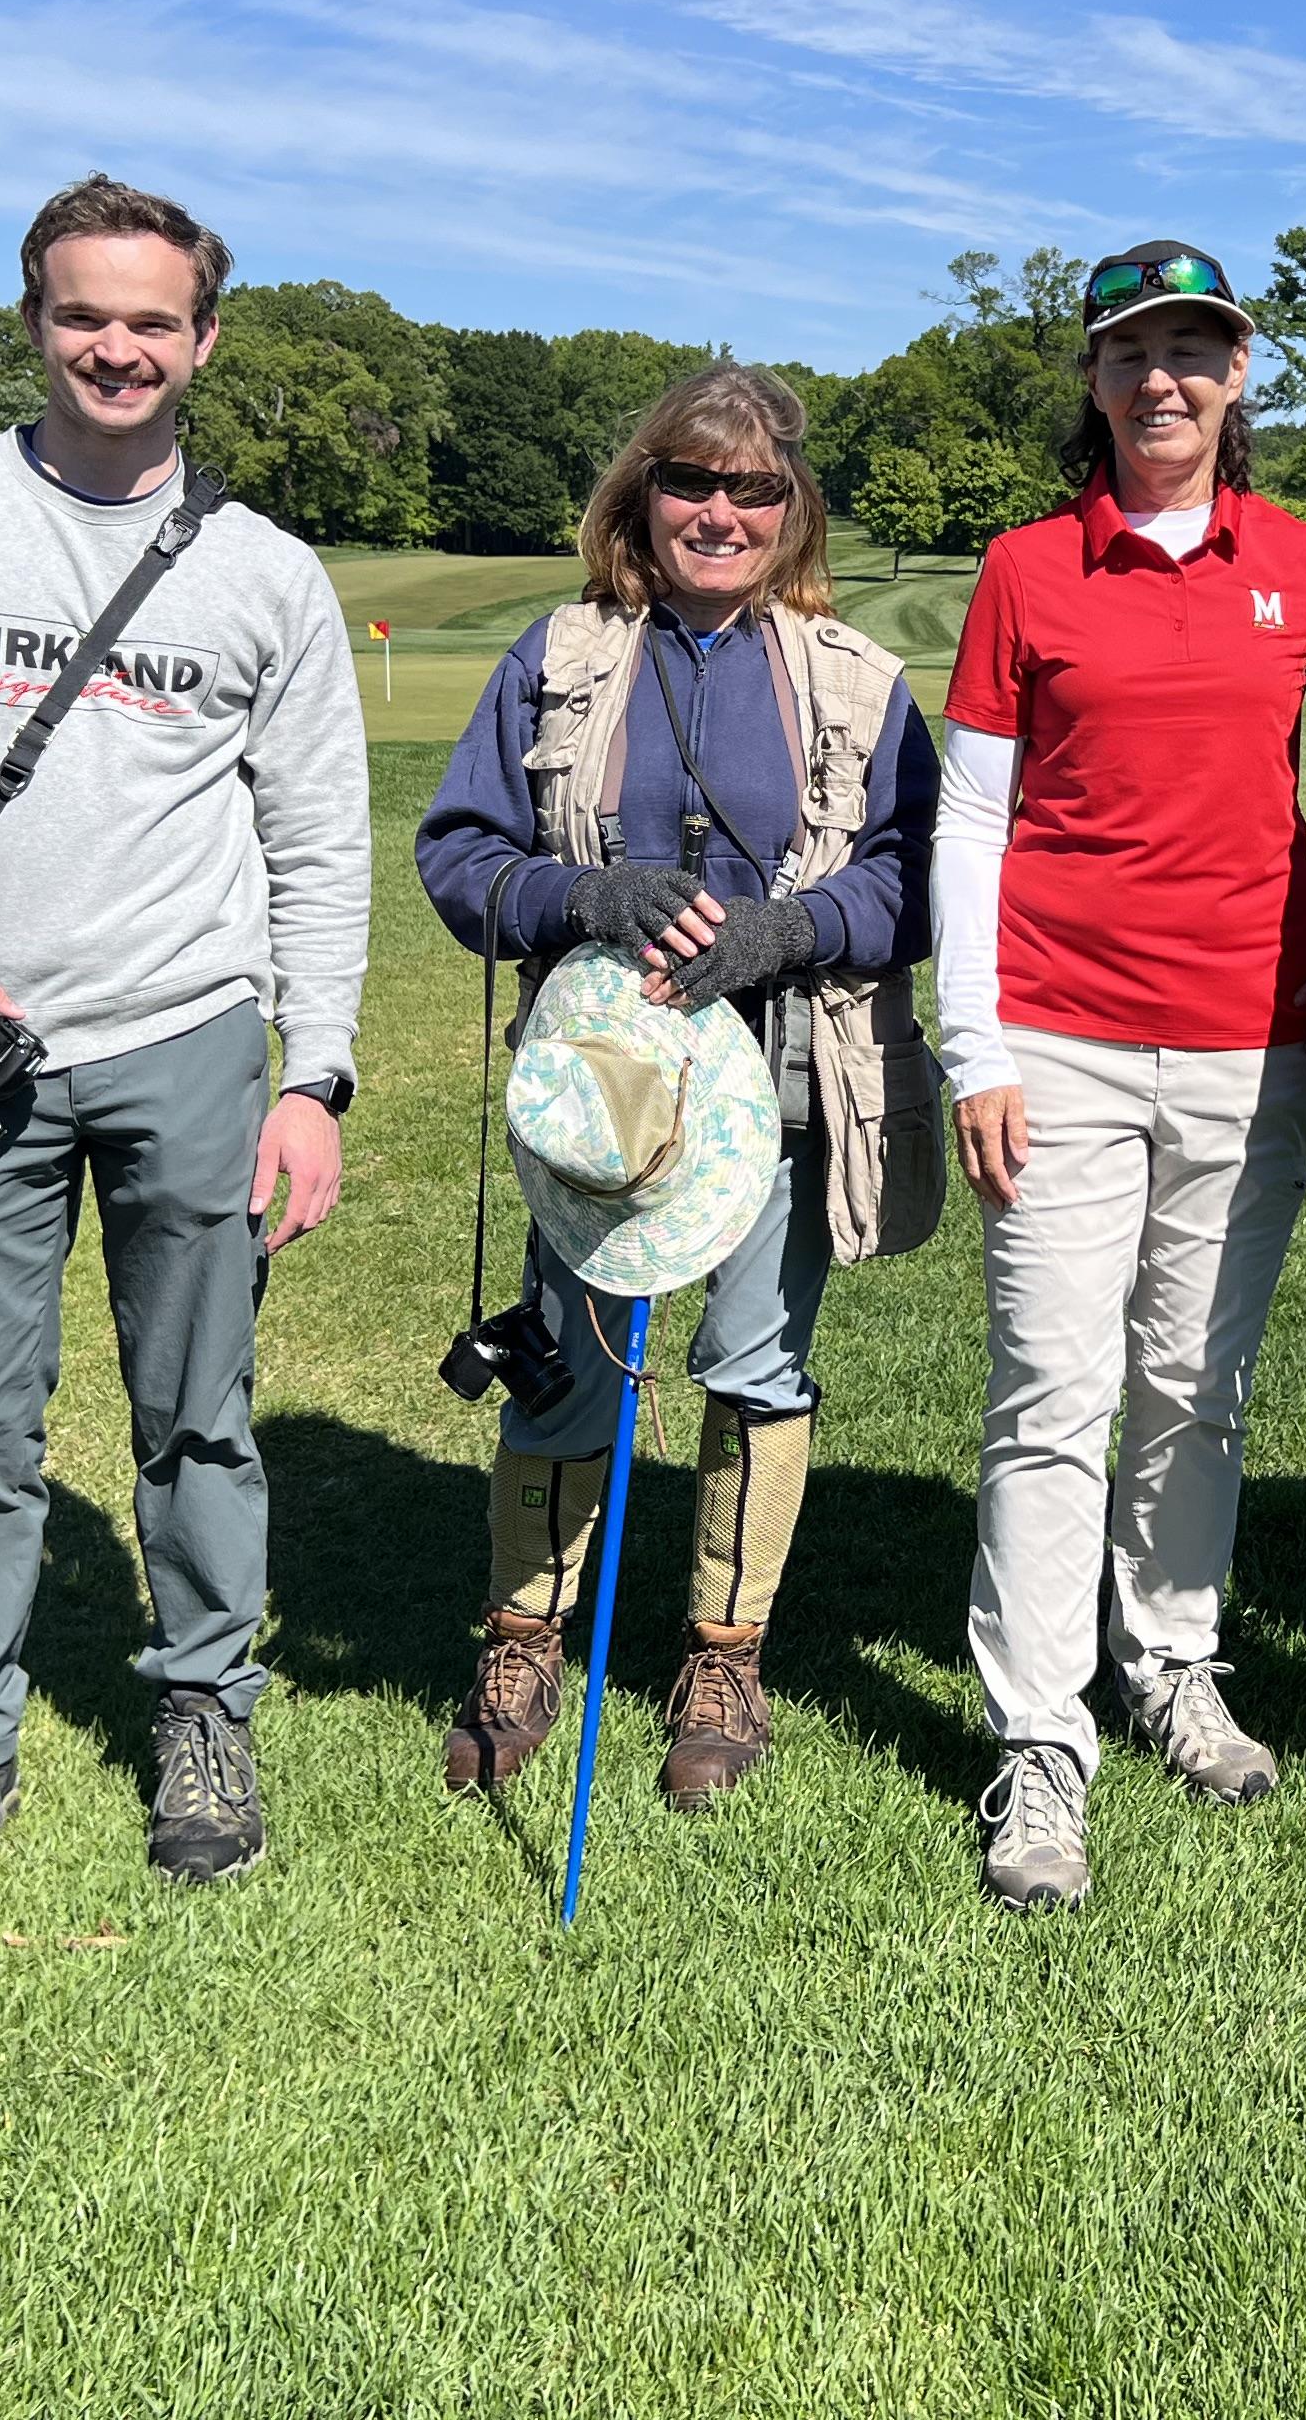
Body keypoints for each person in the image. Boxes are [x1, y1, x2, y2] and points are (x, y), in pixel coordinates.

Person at [0, 176, 375, 1913]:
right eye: (84, 314)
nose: (118, 346)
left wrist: (313, 1076)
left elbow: (321, 843)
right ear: (33, 320)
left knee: (200, 1417)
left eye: (152, 320)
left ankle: (203, 1715)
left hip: (188, 1039)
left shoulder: (266, 573)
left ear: (204, 340)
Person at [414, 364, 940, 1809]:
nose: (720, 510)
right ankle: (526, 1635)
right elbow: (457, 854)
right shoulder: (560, 651)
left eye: (754, 488)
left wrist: (797, 928)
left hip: (781, 1080)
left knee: (753, 1367)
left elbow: (918, 877)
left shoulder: (855, 679)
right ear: (640, 494)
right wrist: (583, 894)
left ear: (793, 511)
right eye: (691, 481)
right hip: (598, 1090)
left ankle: (726, 1653)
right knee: (572, 1360)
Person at [942, 240, 1306, 1912]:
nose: (1164, 381)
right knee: (1056, 1392)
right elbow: (975, 819)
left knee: (1199, 1379)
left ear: (1242, 374)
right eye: (1133, 355)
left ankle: (1173, 1659)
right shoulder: (1028, 568)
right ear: (1097, 383)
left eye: (1196, 351)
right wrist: (972, 1043)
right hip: (1057, 1033)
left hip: (1255, 1040)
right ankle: (1040, 1741)